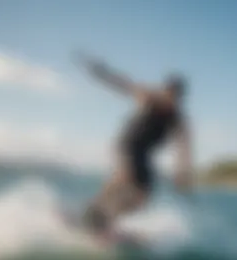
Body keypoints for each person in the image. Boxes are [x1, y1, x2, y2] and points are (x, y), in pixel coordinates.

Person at [75, 52, 193, 243]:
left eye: (175, 97)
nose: (170, 99)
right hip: (127, 145)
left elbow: (184, 147)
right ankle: (91, 213)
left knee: (142, 197)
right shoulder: (150, 97)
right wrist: (101, 72)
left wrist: (182, 173)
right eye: (168, 93)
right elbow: (123, 85)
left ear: (179, 98)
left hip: (144, 154)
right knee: (125, 178)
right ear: (165, 90)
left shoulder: (178, 120)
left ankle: (105, 220)